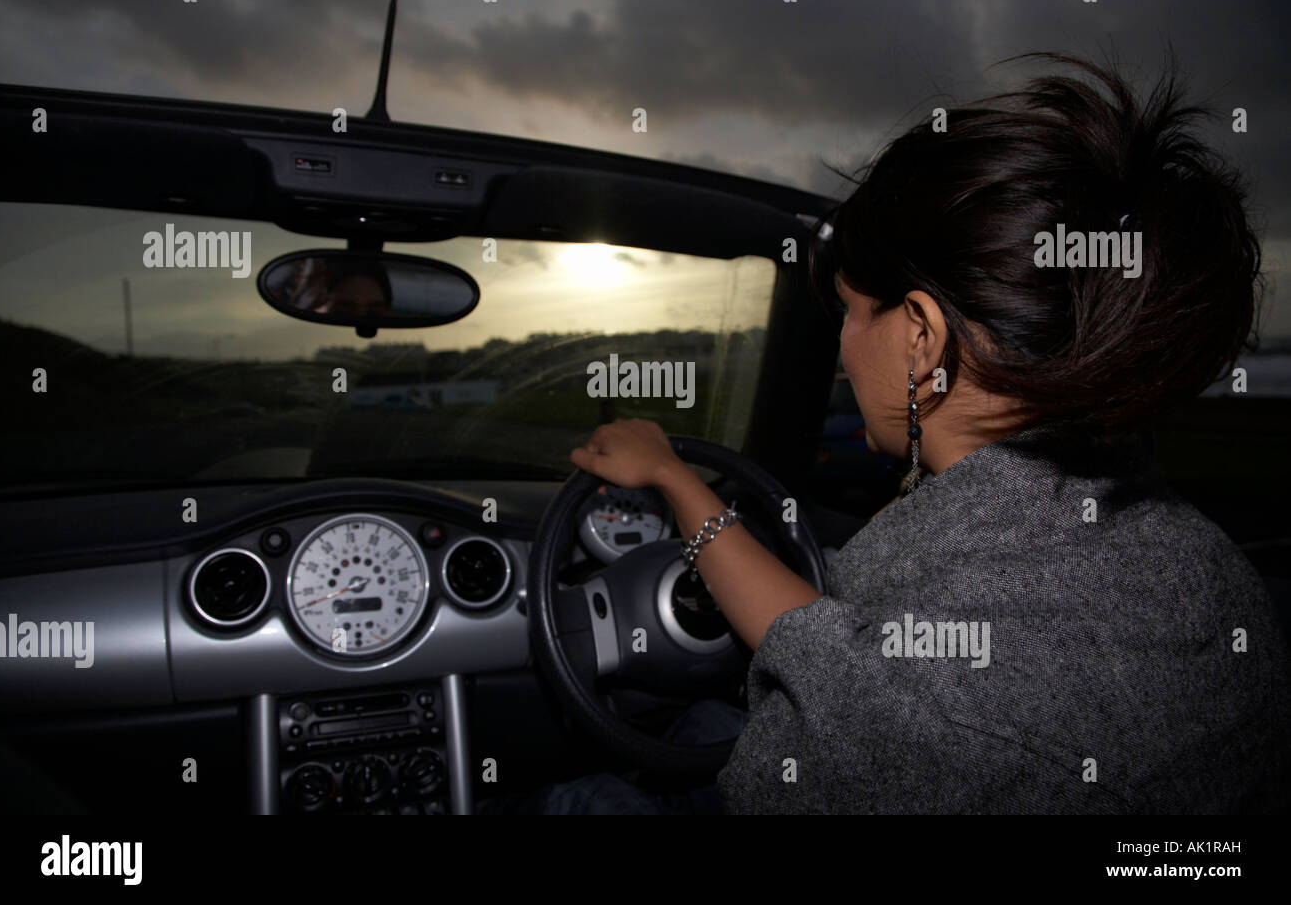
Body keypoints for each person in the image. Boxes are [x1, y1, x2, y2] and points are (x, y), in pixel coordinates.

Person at [537, 51, 1291, 814]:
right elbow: (828, 654)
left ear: (923, 338)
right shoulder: (1195, 567)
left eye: (853, 311)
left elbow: (875, 700)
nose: (844, 344)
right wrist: (676, 479)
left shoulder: (927, 726)